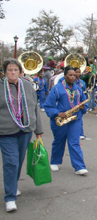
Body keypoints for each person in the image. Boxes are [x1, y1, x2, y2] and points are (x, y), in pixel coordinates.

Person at [0, 58, 43, 212]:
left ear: (20, 71)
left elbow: (35, 107)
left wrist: (38, 129)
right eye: (9, 70)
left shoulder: (27, 85)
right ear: (4, 72)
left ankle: (13, 184)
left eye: (15, 70)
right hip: (6, 132)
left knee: (18, 161)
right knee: (11, 162)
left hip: (25, 131)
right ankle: (10, 197)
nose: (12, 72)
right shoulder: (1, 87)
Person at [44, 66, 88, 175]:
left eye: (74, 75)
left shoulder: (78, 88)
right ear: (65, 76)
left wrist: (83, 106)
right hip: (61, 119)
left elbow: (84, 101)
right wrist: (57, 113)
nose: (73, 77)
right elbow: (48, 106)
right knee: (59, 141)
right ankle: (54, 161)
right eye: (70, 75)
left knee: (74, 142)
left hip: (74, 119)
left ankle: (79, 166)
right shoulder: (57, 88)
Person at [74, 67, 87, 139]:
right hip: (72, 102)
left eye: (79, 72)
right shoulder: (71, 82)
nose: (78, 74)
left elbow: (84, 93)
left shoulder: (82, 83)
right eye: (76, 72)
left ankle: (81, 133)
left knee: (80, 119)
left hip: (80, 103)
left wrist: (84, 104)